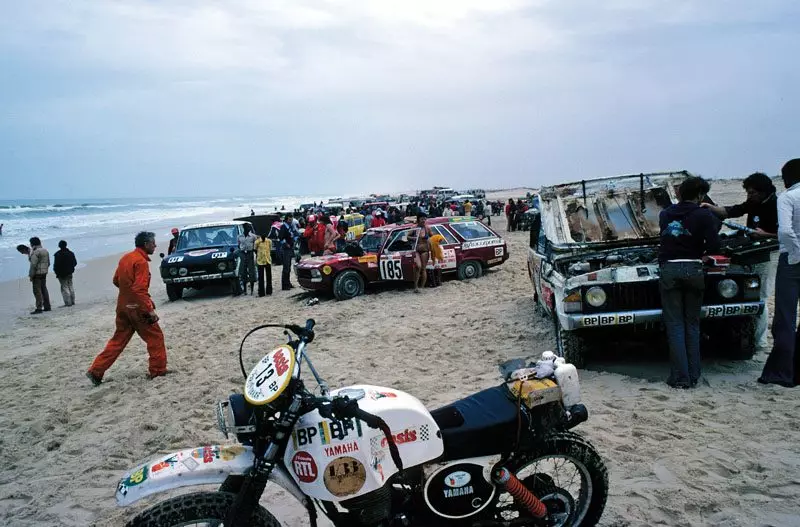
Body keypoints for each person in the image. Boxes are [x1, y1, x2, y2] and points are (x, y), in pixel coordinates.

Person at [701, 172, 779, 349]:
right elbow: (732, 211)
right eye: (748, 193)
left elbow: (787, 234)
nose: (749, 196)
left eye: (753, 193)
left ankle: (760, 342)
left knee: (761, 296)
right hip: (751, 249)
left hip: (769, 253)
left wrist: (764, 234)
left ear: (764, 191)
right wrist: (711, 208)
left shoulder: (778, 205)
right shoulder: (753, 202)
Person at [658, 176, 720, 389]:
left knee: (675, 325)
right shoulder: (704, 214)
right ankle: (694, 375)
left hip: (669, 269)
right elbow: (714, 245)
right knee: (692, 324)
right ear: (701, 195)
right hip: (694, 269)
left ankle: (680, 378)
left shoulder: (665, 213)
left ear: (678, 193)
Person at [86, 232, 168, 386]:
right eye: (153, 243)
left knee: (118, 340)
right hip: (138, 307)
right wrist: (149, 310)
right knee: (155, 337)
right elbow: (139, 289)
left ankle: (96, 370)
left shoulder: (126, 258)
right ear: (146, 244)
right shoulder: (141, 262)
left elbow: (116, 280)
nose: (155, 246)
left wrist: (128, 294)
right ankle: (158, 371)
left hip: (123, 306)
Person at [759, 159, 800, 387]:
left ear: (786, 178)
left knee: (785, 317)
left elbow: (784, 230)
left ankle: (781, 372)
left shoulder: (787, 198)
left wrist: (795, 254)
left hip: (792, 259)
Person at [28, 237, 51, 314]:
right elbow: (48, 263)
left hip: (37, 274)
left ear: (32, 244)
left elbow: (33, 265)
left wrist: (31, 276)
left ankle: (39, 308)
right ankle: (47, 306)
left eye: (31, 243)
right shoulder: (45, 250)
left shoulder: (36, 252)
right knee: (44, 289)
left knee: (37, 291)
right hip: (44, 273)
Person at [53, 240, 77, 307]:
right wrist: (71, 268)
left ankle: (68, 302)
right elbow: (75, 263)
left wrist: (56, 272)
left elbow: (56, 265)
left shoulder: (58, 254)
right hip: (69, 272)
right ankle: (72, 301)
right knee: (70, 286)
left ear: (59, 246)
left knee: (64, 287)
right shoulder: (71, 253)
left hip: (61, 273)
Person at [413, 214, 433, 292]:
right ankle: (415, 286)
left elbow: (433, 237)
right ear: (418, 219)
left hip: (425, 250)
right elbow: (408, 236)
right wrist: (415, 238)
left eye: (425, 219)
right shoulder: (414, 228)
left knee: (423, 269)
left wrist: (429, 238)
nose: (423, 220)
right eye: (422, 219)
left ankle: (421, 287)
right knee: (418, 266)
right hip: (417, 250)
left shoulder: (427, 228)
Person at [237, 224, 258, 295]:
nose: (248, 228)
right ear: (244, 228)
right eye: (247, 227)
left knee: (251, 271)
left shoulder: (253, 236)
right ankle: (245, 290)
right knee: (243, 272)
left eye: (249, 227)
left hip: (250, 253)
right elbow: (239, 245)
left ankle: (252, 290)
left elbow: (256, 246)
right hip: (243, 254)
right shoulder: (239, 236)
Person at [279, 214, 296, 290]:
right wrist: (286, 244)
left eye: (291, 220)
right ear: (286, 219)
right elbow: (280, 238)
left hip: (290, 248)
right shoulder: (283, 227)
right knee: (286, 267)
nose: (291, 221)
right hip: (286, 249)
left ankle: (288, 283)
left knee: (288, 267)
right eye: (289, 220)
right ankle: (285, 285)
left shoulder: (290, 226)